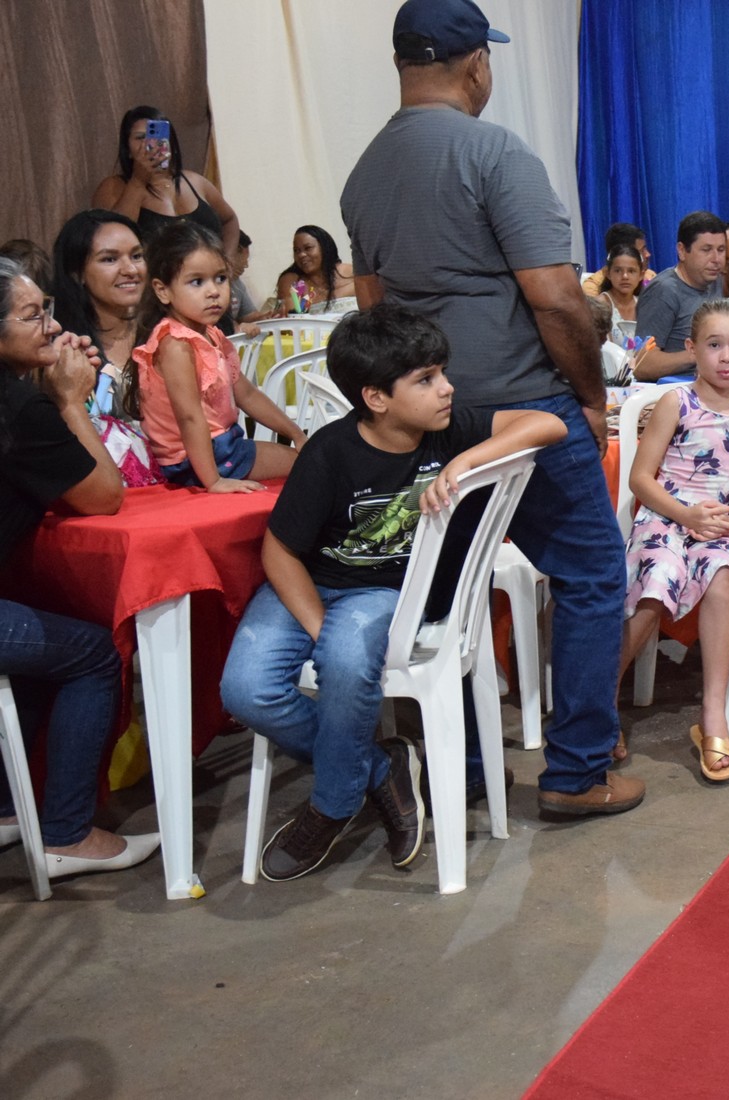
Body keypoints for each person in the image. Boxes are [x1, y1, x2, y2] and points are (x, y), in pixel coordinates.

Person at [342, 0, 641, 817]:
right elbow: (554, 299)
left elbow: (373, 314)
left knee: (447, 594)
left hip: (425, 416)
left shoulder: (363, 174)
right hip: (518, 409)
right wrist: (589, 397)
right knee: (588, 574)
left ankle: (465, 776)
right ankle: (577, 773)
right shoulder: (494, 152)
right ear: (476, 64)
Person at [220, 304, 566, 880]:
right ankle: (380, 767)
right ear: (376, 397)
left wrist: (465, 462)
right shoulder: (330, 453)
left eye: (442, 373)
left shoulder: (449, 430)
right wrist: (315, 627)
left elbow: (548, 425)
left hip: (384, 593)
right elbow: (279, 552)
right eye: (425, 380)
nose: (446, 389)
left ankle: (330, 805)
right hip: (309, 583)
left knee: (350, 658)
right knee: (245, 689)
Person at [0, 257, 161, 881]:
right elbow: (104, 495)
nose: (51, 325)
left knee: (49, 642)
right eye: (32, 315)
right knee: (93, 653)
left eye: (48, 309)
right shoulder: (19, 407)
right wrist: (69, 400)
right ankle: (67, 833)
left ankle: (10, 808)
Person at [617, 300, 729, 781]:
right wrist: (686, 515)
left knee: (724, 573)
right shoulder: (674, 402)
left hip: (717, 526)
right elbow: (641, 479)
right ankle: (601, 699)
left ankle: (713, 716)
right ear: (692, 349)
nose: (726, 357)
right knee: (659, 576)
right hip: (666, 516)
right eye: (714, 345)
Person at [127, 222, 305, 490]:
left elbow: (247, 394)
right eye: (196, 282)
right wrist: (214, 481)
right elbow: (190, 417)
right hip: (195, 457)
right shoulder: (175, 344)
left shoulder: (211, 334)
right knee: (307, 467)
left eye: (220, 278)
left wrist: (295, 433)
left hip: (222, 445)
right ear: (163, 290)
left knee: (308, 459)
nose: (213, 291)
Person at [91, 106, 240, 248]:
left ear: (171, 143)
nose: (150, 144)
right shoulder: (114, 187)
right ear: (127, 150)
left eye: (158, 137)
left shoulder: (195, 181)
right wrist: (137, 182)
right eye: (140, 137)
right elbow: (112, 240)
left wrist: (228, 261)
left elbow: (229, 220)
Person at [50, 210, 146, 379]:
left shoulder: (164, 330)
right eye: (110, 259)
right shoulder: (64, 347)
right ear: (76, 273)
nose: (131, 269)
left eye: (136, 256)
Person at [632, 211, 726, 381]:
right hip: (677, 394)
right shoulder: (663, 291)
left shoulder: (717, 280)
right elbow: (642, 364)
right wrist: (696, 354)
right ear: (682, 251)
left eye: (721, 250)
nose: (716, 259)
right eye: (706, 250)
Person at [275, 225, 357, 315]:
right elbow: (292, 318)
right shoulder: (292, 281)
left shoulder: (351, 272)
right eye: (296, 250)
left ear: (324, 248)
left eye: (308, 248)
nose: (301, 255)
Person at [581, 222, 655, 296]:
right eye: (642, 251)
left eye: (632, 271)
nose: (648, 254)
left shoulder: (649, 276)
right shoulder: (592, 288)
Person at [597, 242, 643, 345]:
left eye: (631, 271)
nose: (625, 276)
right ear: (607, 273)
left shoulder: (645, 305)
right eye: (618, 271)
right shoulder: (600, 305)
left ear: (641, 275)